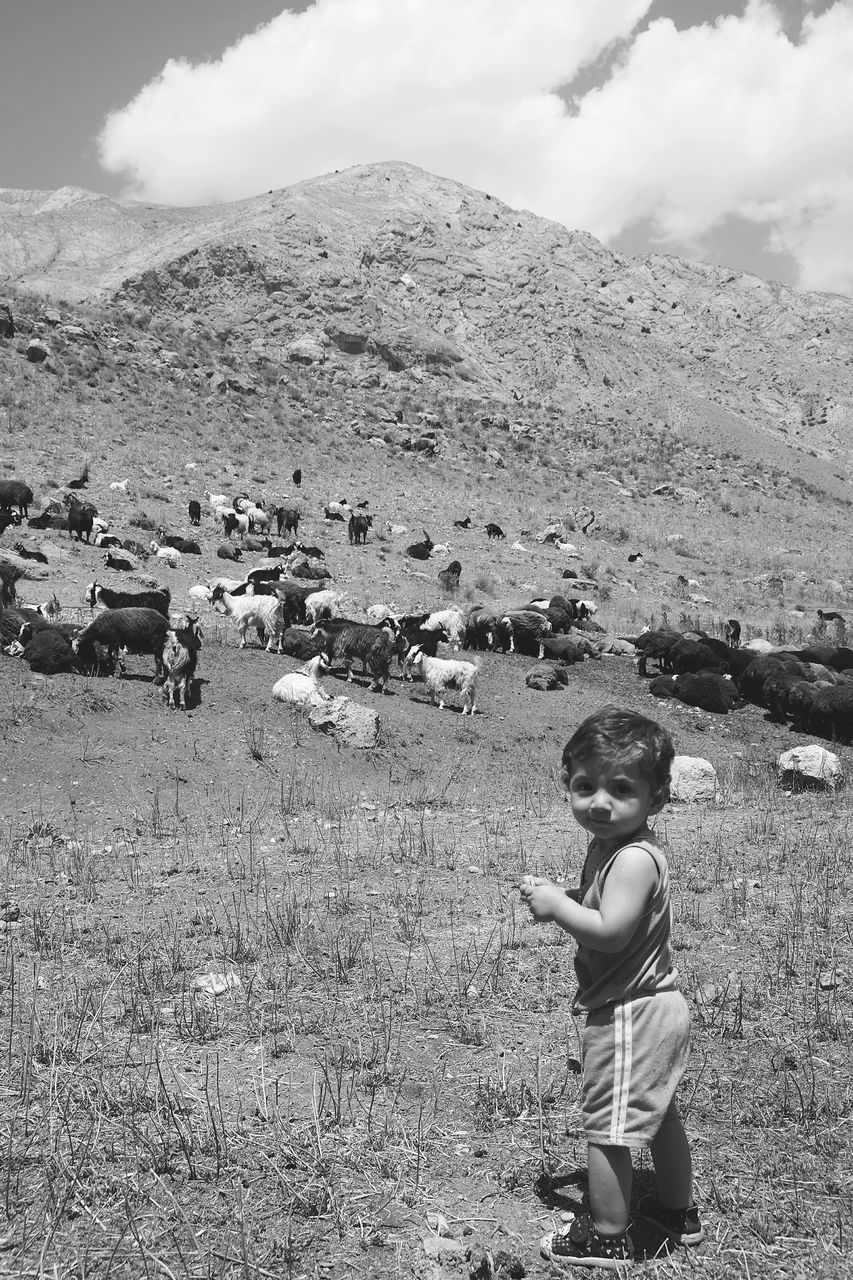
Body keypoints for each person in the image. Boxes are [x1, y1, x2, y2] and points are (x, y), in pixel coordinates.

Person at [520, 706, 702, 1268]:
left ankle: (605, 1236)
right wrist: (566, 895)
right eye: (585, 785)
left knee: (609, 1130)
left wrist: (556, 908)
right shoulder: (612, 848)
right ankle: (678, 1212)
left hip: (631, 1011)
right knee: (660, 1114)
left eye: (621, 789)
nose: (599, 801)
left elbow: (613, 933)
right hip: (654, 1005)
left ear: (656, 799)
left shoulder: (632, 860)